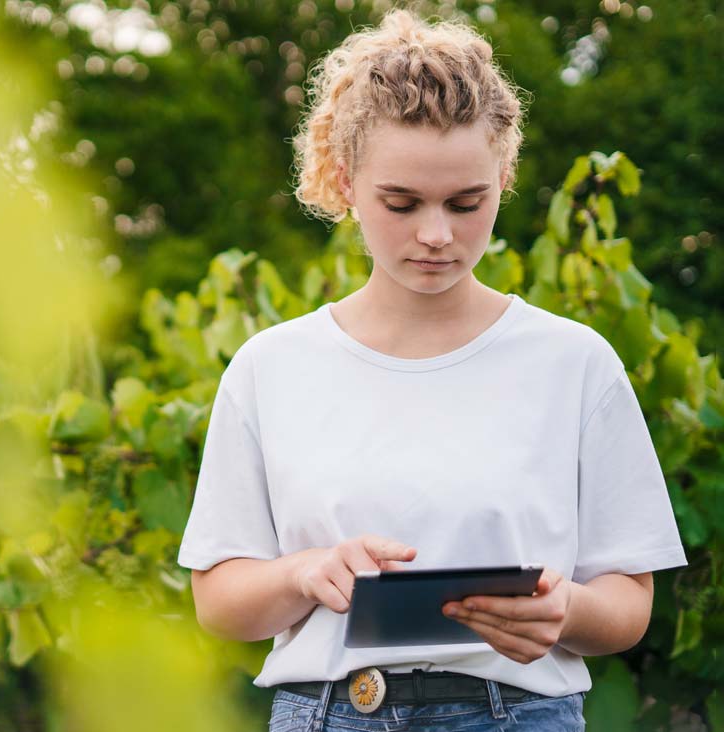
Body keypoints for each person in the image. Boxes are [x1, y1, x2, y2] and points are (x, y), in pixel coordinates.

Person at [176, 7, 687, 731]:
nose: (437, 234)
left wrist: (565, 609)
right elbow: (219, 600)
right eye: (402, 202)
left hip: (521, 713)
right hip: (329, 714)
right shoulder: (272, 368)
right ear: (346, 181)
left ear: (504, 178)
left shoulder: (574, 364)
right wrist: (305, 573)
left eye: (466, 202)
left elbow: (629, 603)